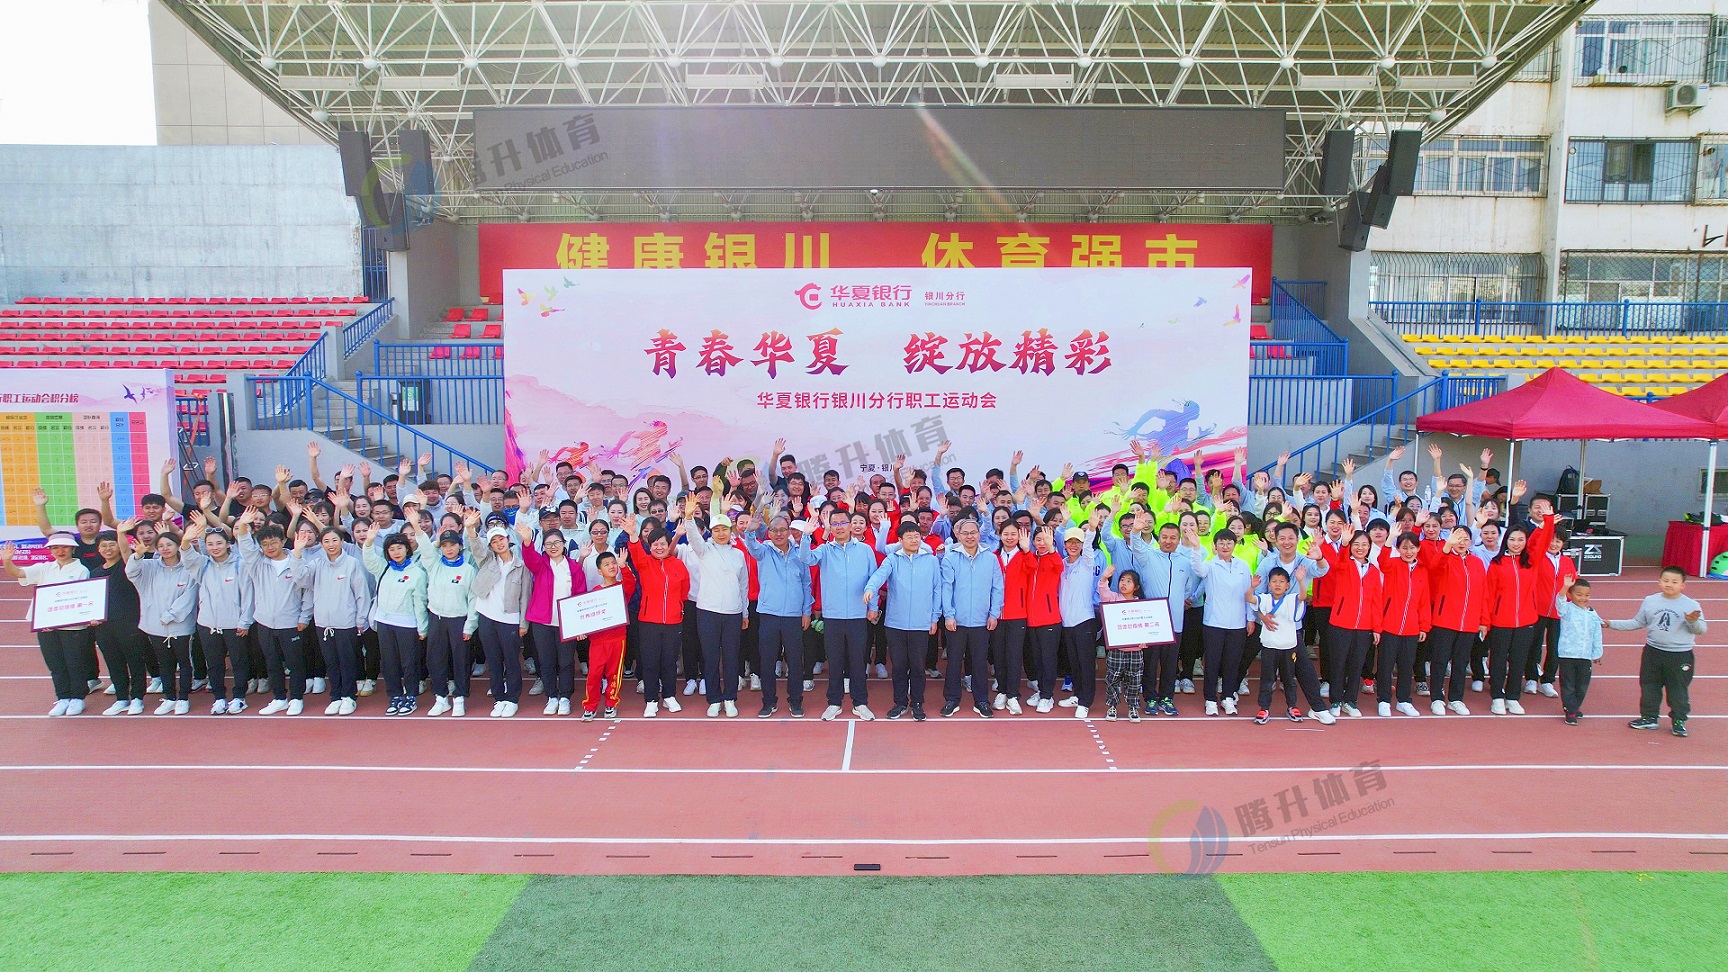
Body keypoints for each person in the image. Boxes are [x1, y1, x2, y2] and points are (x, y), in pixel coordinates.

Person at [796, 506, 880, 721]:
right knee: (834, 662)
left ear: (851, 525)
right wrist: (806, 536)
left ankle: (860, 703)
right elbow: (806, 558)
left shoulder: (865, 550)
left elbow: (873, 579)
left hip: (858, 615)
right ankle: (834, 703)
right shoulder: (825, 550)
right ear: (830, 527)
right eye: (835, 524)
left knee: (858, 661)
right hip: (833, 616)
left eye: (843, 523)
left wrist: (873, 607)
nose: (839, 527)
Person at [3, 534, 95, 715]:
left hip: (73, 627)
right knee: (55, 663)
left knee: (75, 663)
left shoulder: (81, 570)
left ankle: (78, 698)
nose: (60, 551)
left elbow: (83, 597)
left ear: (73, 549)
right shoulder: (44, 568)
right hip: (46, 626)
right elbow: (18, 573)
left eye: (65, 547)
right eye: (55, 548)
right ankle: (63, 697)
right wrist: (7, 561)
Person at [1480, 491, 1554, 715]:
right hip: (1500, 621)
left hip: (1526, 621)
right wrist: (1485, 622)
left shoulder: (1531, 561)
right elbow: (1488, 595)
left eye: (1521, 540)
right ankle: (1497, 696)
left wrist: (1548, 519)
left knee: (1518, 660)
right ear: (1506, 541)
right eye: (1512, 539)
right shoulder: (1497, 564)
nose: (1516, 543)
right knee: (1498, 660)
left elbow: (1543, 540)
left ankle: (1513, 697)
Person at [678, 495, 750, 718]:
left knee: (731, 657)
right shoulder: (704, 550)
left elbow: (743, 585)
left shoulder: (738, 554)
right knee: (710, 657)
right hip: (708, 612)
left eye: (724, 529)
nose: (721, 533)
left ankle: (730, 698)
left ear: (730, 531)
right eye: (716, 530)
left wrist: (745, 612)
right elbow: (693, 537)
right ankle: (714, 699)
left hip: (733, 612)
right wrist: (689, 518)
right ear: (711, 532)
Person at [1613, 566, 1707, 737]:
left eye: (1674, 582)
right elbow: (1637, 622)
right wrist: (1610, 623)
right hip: (1653, 652)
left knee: (1677, 689)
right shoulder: (1650, 601)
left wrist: (1692, 622)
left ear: (1683, 585)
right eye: (1665, 581)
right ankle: (1649, 718)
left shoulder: (1691, 605)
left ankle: (1678, 720)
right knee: (1649, 686)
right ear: (1659, 582)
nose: (1669, 584)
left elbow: (1701, 630)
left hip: (1679, 655)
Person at [864, 521, 944, 720]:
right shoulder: (893, 559)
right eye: (909, 537)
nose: (914, 540)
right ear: (900, 540)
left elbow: (937, 589)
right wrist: (870, 589)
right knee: (899, 667)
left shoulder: (931, 560)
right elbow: (879, 576)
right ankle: (900, 703)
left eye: (916, 536)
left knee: (918, 667)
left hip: (921, 622)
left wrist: (934, 617)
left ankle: (917, 703)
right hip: (895, 623)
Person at [236, 511, 314, 715]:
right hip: (264, 623)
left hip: (291, 623)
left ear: (283, 541)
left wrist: (304, 617)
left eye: (273, 542)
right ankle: (279, 698)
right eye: (265, 544)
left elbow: (306, 587)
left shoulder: (296, 560)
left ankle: (296, 698)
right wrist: (243, 526)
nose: (270, 547)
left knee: (295, 663)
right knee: (272, 663)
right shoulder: (257, 564)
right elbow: (245, 546)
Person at [739, 510, 814, 718]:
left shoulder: (800, 553)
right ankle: (769, 702)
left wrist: (806, 611)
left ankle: (795, 701)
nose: (779, 534)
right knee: (768, 661)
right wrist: (750, 531)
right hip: (769, 614)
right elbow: (751, 546)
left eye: (782, 530)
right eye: (774, 530)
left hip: (793, 615)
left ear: (789, 531)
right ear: (769, 533)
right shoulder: (764, 551)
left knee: (795, 661)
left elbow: (806, 584)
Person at [292, 525, 372, 716]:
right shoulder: (317, 564)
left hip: (346, 622)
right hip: (323, 623)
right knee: (331, 663)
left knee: (347, 661)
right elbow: (301, 579)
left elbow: (361, 594)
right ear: (321, 544)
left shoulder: (352, 563)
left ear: (342, 542)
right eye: (326, 541)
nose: (331, 544)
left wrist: (361, 619)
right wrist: (297, 553)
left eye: (335, 540)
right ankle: (335, 697)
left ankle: (348, 697)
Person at [515, 505, 587, 716]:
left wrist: (580, 625)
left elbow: (580, 596)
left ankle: (565, 697)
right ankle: (551, 697)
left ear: (564, 544)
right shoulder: (540, 564)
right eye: (548, 544)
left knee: (565, 662)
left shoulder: (574, 567)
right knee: (546, 662)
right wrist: (527, 541)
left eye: (557, 543)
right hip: (542, 622)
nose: (553, 547)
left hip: (566, 624)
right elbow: (529, 558)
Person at [127, 525, 204, 714]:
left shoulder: (188, 569)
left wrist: (171, 615)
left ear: (178, 546)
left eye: (169, 544)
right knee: (165, 664)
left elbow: (190, 595)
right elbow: (131, 573)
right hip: (155, 626)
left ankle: (183, 698)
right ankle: (170, 697)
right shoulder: (149, 566)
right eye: (160, 546)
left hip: (181, 626)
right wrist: (137, 555)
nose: (165, 549)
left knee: (184, 663)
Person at [623, 514, 691, 718]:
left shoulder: (678, 565)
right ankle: (651, 700)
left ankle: (669, 696)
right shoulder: (644, 563)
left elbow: (684, 591)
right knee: (650, 662)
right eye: (655, 544)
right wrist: (632, 534)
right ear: (650, 546)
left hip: (673, 621)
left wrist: (676, 607)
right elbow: (635, 550)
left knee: (669, 661)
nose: (659, 547)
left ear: (669, 545)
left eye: (663, 544)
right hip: (648, 622)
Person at [939, 517, 1003, 718]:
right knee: (954, 661)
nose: (969, 536)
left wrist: (994, 614)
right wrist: (949, 615)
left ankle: (981, 700)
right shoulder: (950, 558)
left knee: (979, 662)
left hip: (981, 620)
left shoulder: (990, 558)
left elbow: (997, 588)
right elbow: (946, 588)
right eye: (965, 533)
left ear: (979, 534)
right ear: (958, 535)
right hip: (956, 621)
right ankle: (952, 699)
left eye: (973, 532)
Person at [1419, 521, 1485, 716]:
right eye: (1458, 538)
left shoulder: (1477, 563)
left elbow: (1484, 593)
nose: (1461, 543)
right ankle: (1437, 698)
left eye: (1465, 539)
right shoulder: (1445, 558)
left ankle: (1456, 699)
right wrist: (1447, 547)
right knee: (1440, 660)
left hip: (1469, 622)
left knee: (1461, 662)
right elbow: (1434, 567)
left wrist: (1483, 621)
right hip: (1445, 619)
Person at [469, 511, 531, 718]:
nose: (498, 543)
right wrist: (470, 528)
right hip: (487, 617)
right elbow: (475, 547)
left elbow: (525, 596)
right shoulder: (487, 561)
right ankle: (499, 698)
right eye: (494, 541)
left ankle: (512, 699)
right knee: (493, 661)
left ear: (508, 539)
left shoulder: (521, 566)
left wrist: (523, 623)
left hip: (510, 619)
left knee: (511, 661)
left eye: (501, 539)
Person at [362, 530, 429, 716]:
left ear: (407, 549)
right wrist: (369, 541)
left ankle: (411, 696)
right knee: (389, 662)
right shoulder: (383, 568)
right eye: (391, 549)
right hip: (384, 622)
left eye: (399, 548)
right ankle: (395, 696)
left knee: (409, 663)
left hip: (407, 624)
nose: (396, 552)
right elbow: (369, 560)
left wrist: (422, 628)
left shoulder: (417, 573)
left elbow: (420, 602)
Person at [190, 516, 253, 714]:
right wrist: (187, 538)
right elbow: (186, 556)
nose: (215, 547)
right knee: (214, 664)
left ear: (228, 544)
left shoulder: (240, 565)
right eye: (210, 544)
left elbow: (248, 595)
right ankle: (219, 698)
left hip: (234, 624)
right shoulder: (203, 565)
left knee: (239, 662)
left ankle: (239, 697)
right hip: (208, 624)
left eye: (219, 543)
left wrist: (244, 621)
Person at [1190, 525, 1254, 716]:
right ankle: (1210, 699)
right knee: (1213, 662)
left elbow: (1248, 594)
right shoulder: (1210, 565)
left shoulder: (1243, 566)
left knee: (1232, 662)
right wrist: (1196, 547)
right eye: (1221, 543)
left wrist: (1250, 618)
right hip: (1214, 622)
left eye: (1229, 543)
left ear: (1235, 544)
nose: (1225, 546)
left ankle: (1227, 697)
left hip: (1238, 623)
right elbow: (1197, 568)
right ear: (1215, 545)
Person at [1251, 566, 1329, 724]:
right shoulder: (1265, 599)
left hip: (1289, 647)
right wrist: (1252, 587)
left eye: (1281, 582)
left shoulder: (1291, 599)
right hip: (1270, 646)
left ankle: (1292, 706)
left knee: (1289, 679)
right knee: (1267, 679)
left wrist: (1300, 581)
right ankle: (1264, 708)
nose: (1277, 584)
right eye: (1274, 581)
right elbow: (1249, 599)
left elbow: (1303, 596)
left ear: (1287, 585)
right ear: (1269, 584)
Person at [87, 531, 150, 714]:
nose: (108, 549)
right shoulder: (94, 573)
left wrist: (121, 533)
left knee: (134, 660)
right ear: (98, 549)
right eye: (103, 546)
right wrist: (91, 616)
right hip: (104, 626)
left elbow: (126, 553)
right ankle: (121, 698)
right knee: (113, 662)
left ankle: (137, 698)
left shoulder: (126, 566)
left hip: (128, 622)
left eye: (112, 544)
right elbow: (91, 599)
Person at [1323, 530, 1384, 719]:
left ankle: (1350, 701)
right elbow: (1338, 562)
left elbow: (1377, 601)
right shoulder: (1345, 564)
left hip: (1364, 627)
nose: (1360, 548)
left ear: (1369, 547)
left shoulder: (1373, 570)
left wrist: (1377, 628)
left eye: (1364, 544)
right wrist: (1344, 544)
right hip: (1341, 624)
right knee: (1338, 664)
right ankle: (1335, 700)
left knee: (1356, 665)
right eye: (1356, 544)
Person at [1376, 533, 1432, 717]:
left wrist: (1424, 626)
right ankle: (1384, 700)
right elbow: (1382, 560)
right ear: (1398, 549)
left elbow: (1424, 601)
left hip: (1411, 627)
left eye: (1412, 548)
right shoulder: (1392, 564)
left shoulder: (1422, 571)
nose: (1409, 552)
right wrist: (1390, 539)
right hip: (1389, 625)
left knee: (1407, 666)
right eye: (1405, 548)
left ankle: (1404, 700)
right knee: (1385, 665)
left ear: (1418, 549)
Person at [1016, 524, 1067, 713]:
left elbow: (1059, 566)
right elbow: (1029, 568)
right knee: (1036, 659)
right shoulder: (1030, 557)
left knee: (1048, 659)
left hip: (1049, 619)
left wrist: (1051, 548)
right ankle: (1041, 691)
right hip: (1031, 619)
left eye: (1046, 539)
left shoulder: (1054, 558)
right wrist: (1026, 551)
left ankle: (1047, 696)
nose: (1042, 543)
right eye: (1038, 539)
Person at [579, 551, 636, 720]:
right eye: (606, 564)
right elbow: (587, 616)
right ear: (599, 571)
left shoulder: (621, 587)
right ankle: (590, 706)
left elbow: (632, 583)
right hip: (598, 641)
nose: (611, 566)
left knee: (614, 673)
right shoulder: (595, 593)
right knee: (594, 674)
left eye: (613, 563)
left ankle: (611, 703)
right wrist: (581, 630)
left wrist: (623, 566)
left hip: (617, 639)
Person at [1057, 516, 1104, 719]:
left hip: (1084, 620)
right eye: (1070, 542)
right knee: (1074, 662)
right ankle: (1077, 694)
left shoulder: (1086, 562)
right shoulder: (1061, 564)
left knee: (1086, 664)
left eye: (1078, 542)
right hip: (1067, 622)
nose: (1074, 545)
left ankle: (1085, 701)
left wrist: (1091, 528)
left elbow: (1089, 545)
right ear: (1065, 545)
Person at [1096, 565, 1148, 722]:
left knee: (1134, 680)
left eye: (1129, 581)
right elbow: (1103, 591)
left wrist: (1145, 640)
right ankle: (1112, 706)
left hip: (1135, 650)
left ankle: (1133, 707)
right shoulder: (1113, 598)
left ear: (1136, 587)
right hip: (1116, 649)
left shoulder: (1141, 605)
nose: (1124, 583)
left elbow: (1146, 626)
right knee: (1112, 678)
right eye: (1122, 580)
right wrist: (1104, 577)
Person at [1554, 577, 1603, 726]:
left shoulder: (1592, 613)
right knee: (1568, 684)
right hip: (1567, 654)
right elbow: (1560, 601)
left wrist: (1597, 653)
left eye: (1587, 595)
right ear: (1571, 595)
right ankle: (1570, 710)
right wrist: (1565, 587)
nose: (1583, 598)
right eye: (1579, 594)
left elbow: (1597, 633)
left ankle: (1574, 706)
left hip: (1585, 656)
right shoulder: (1567, 609)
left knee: (1582, 685)